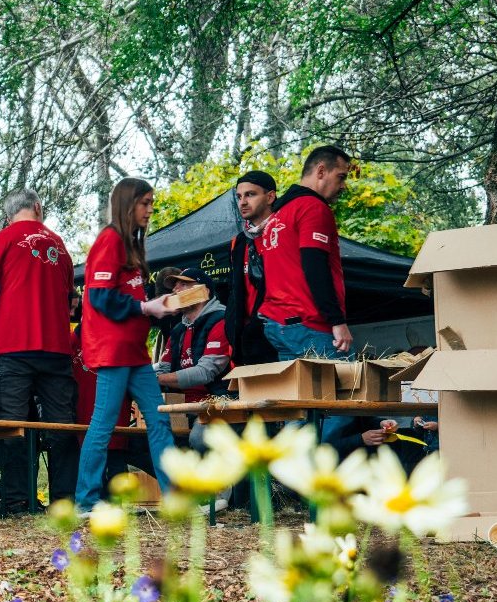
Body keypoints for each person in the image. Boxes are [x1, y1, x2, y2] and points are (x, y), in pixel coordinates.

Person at [0, 188, 79, 515]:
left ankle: (17, 499)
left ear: (9, 215)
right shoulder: (59, 245)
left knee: (10, 424)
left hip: (14, 346)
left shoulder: (0, 241)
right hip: (57, 348)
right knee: (62, 426)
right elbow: (68, 298)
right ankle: (64, 500)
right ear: (37, 207)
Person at [75, 178, 177, 515]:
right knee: (103, 424)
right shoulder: (110, 240)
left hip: (135, 352)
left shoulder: (131, 245)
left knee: (159, 420)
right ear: (127, 204)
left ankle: (174, 497)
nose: (150, 210)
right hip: (114, 352)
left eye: (151, 202)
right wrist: (146, 307)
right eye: (144, 203)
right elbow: (99, 296)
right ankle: (86, 500)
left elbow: (130, 296)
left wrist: (156, 304)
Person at [256, 146, 354, 359]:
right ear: (321, 171)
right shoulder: (312, 207)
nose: (343, 186)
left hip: (279, 324)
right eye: (341, 177)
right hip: (310, 325)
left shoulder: (277, 215)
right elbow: (315, 265)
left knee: (301, 393)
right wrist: (337, 321)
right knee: (351, 389)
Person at [152, 266, 231, 449]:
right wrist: (137, 372)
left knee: (199, 439)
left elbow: (205, 373)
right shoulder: (178, 330)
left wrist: (152, 378)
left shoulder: (221, 321)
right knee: (143, 439)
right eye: (174, 287)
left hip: (217, 403)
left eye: (183, 285)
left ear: (204, 291)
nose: (175, 290)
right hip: (181, 407)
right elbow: (162, 368)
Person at [224, 170, 280, 365]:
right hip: (246, 340)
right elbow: (236, 292)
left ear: (270, 196)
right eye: (239, 197)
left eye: (250, 194)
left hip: (277, 333)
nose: (243, 202)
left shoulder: (283, 231)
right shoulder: (238, 243)